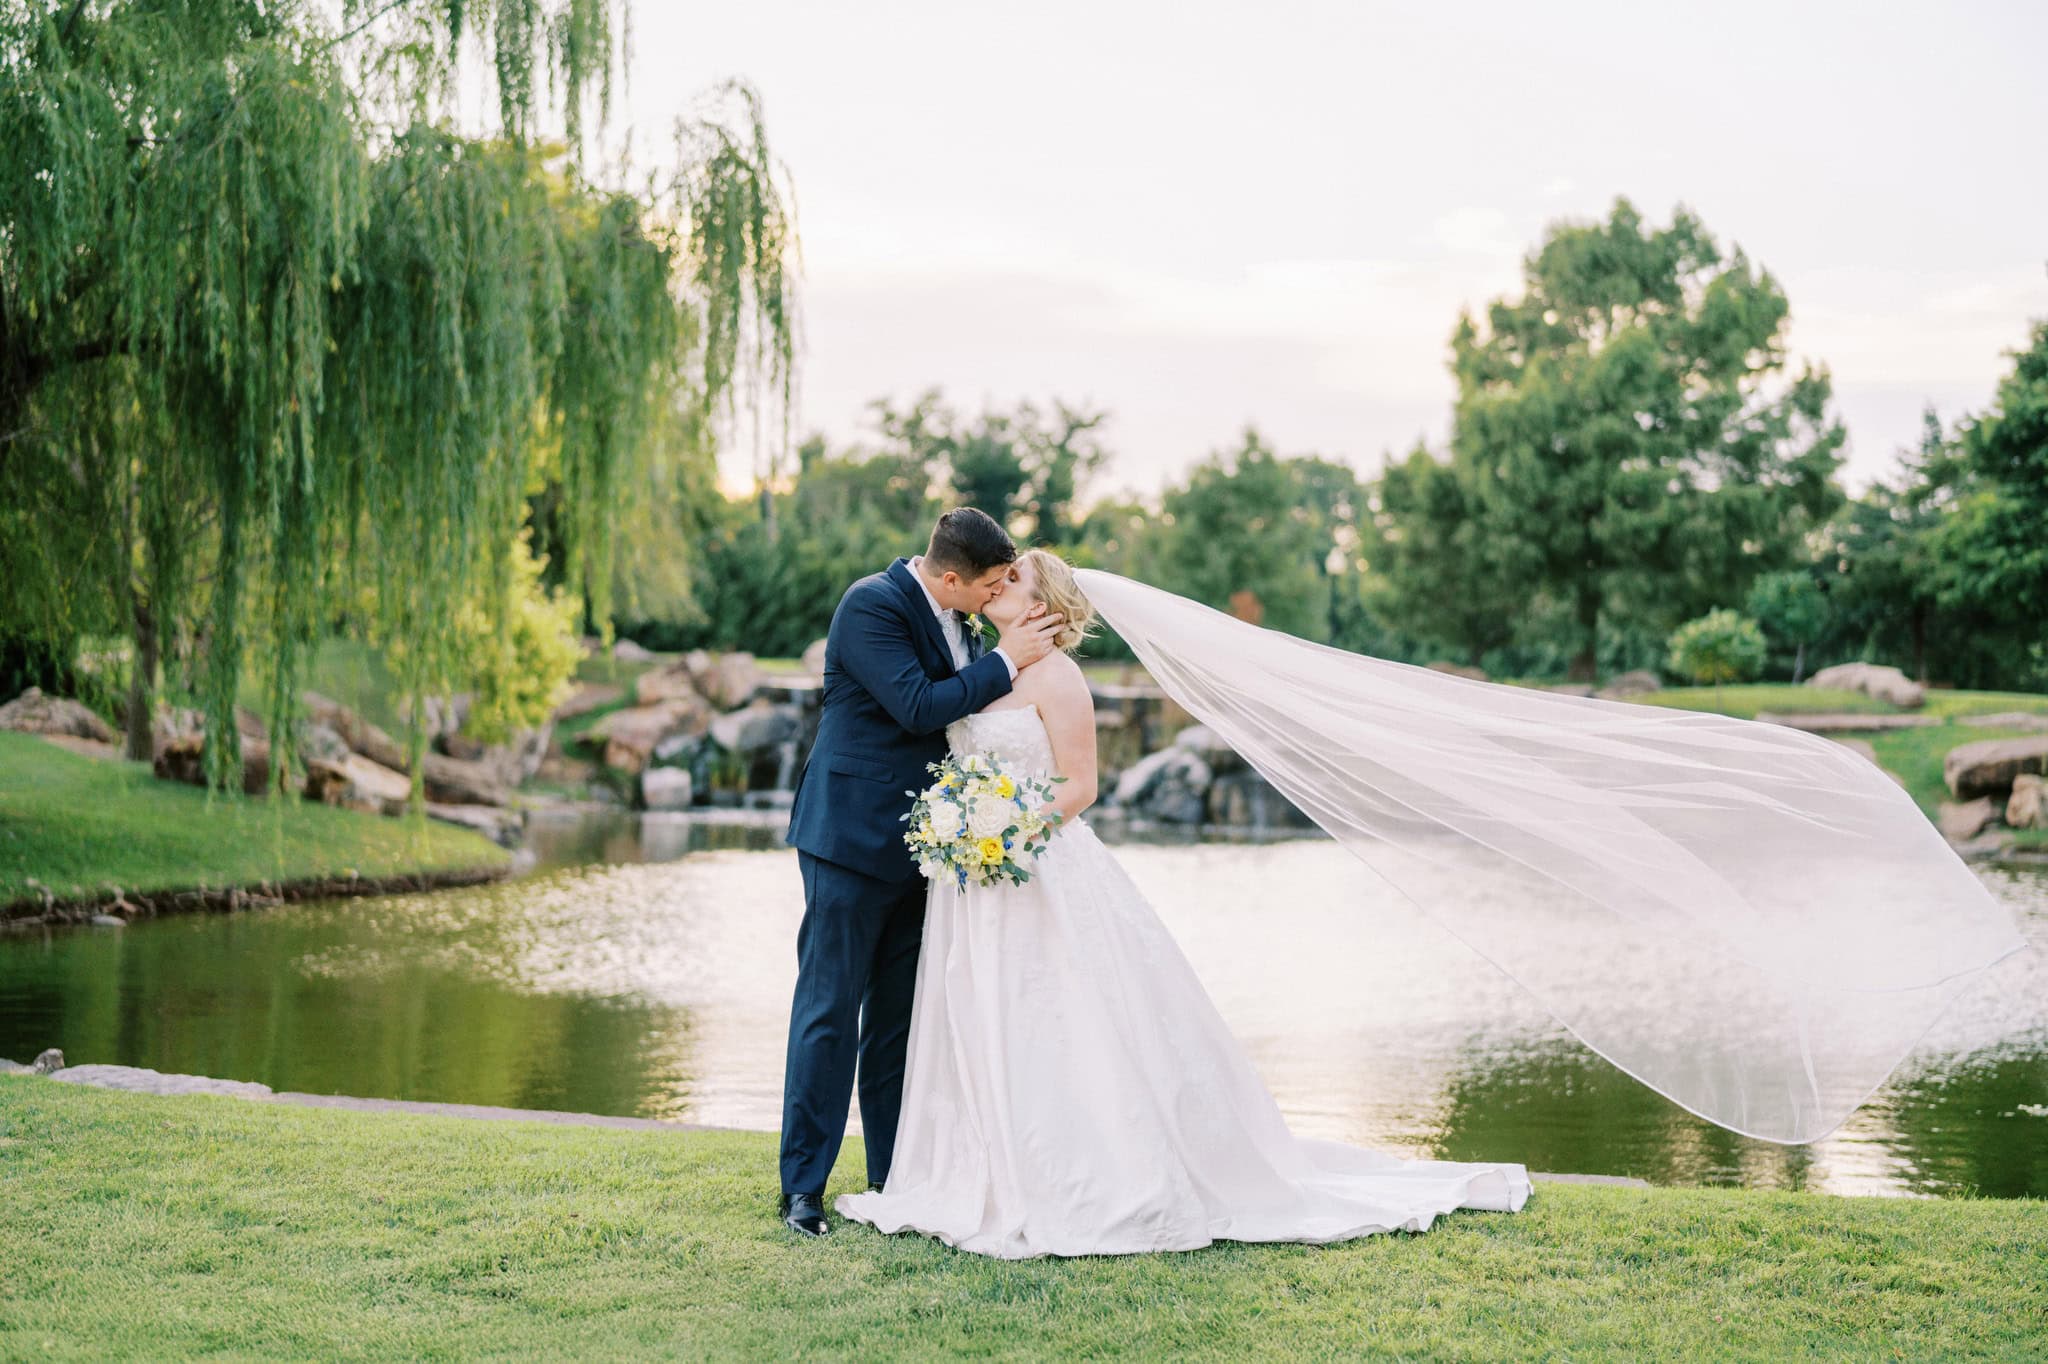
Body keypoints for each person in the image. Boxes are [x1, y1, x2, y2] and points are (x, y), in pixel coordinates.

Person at [831, 549, 1532, 1257]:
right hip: (976, 889)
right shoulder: (982, 668)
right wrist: (968, 826)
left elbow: (1080, 787)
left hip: (1038, 870)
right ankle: (979, 1169)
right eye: (998, 576)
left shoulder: (1061, 678)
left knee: (1061, 1016)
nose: (998, 583)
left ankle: (1080, 1175)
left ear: (1043, 608)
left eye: (1015, 579)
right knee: (981, 1014)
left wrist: (1005, 830)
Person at [777, 509, 1067, 1237]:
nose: (998, 591)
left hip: (927, 850)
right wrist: (1006, 660)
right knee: (828, 1013)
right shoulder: (870, 604)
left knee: (897, 1027)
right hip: (847, 837)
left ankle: (892, 1177)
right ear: (949, 578)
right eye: (991, 582)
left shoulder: (964, 620)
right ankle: (801, 1190)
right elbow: (914, 707)